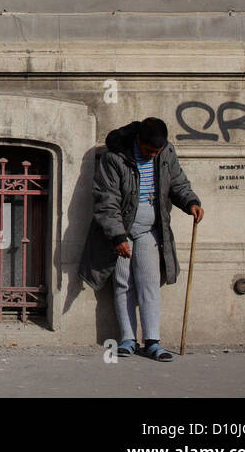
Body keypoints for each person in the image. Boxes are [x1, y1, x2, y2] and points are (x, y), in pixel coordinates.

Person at [79, 117, 204, 362]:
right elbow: (107, 200)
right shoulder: (114, 157)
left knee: (149, 282)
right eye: (148, 151)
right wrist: (117, 236)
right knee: (124, 283)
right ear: (138, 141)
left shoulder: (165, 152)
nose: (152, 155)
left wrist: (191, 202)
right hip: (122, 231)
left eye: (157, 151)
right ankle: (127, 339)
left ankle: (152, 341)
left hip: (151, 230)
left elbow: (177, 182)